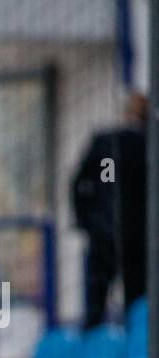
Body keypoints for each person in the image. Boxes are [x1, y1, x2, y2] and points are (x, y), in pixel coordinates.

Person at [71, 92, 149, 329]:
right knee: (135, 304)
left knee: (95, 305)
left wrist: (87, 220)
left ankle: (93, 348)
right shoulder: (145, 144)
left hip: (103, 234)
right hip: (136, 236)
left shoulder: (105, 142)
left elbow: (78, 185)